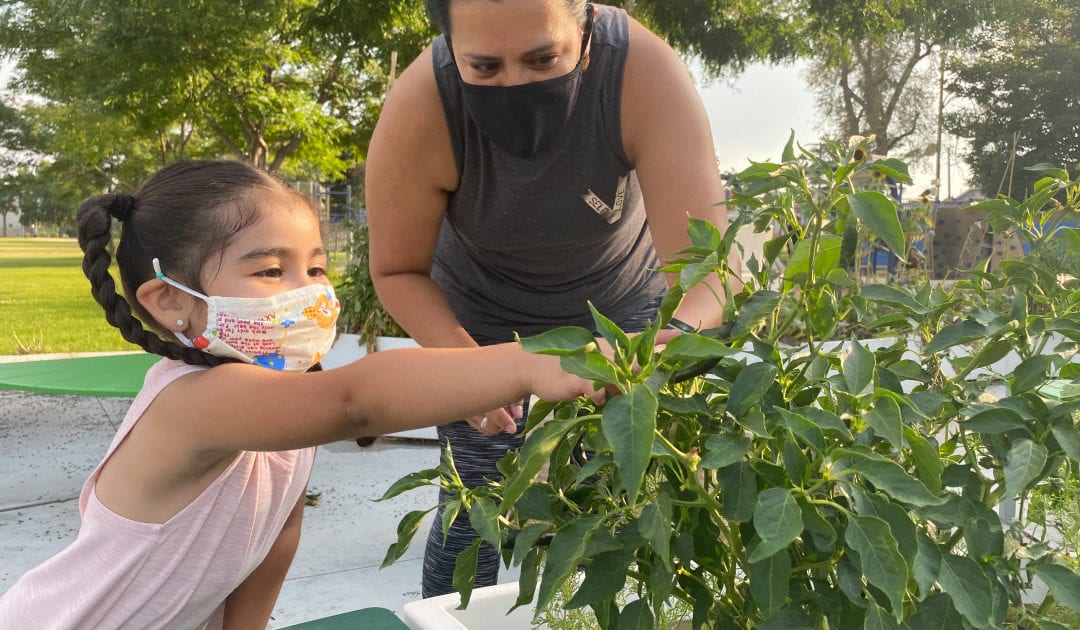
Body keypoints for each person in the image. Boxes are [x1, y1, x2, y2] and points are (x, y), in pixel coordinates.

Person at [0, 160, 606, 629]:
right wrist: (525, 363)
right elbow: (355, 402)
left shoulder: (285, 405)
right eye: (270, 271)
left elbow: (271, 537)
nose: (308, 293)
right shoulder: (194, 404)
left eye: (315, 269)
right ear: (171, 302)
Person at [364, 0, 735, 597]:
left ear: (585, 31)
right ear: (450, 46)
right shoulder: (422, 104)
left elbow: (710, 268)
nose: (514, 85)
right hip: (479, 319)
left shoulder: (642, 72)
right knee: (474, 511)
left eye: (543, 59)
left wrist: (661, 347)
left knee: (629, 506)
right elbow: (398, 271)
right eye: (484, 68)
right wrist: (469, 372)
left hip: (622, 314)